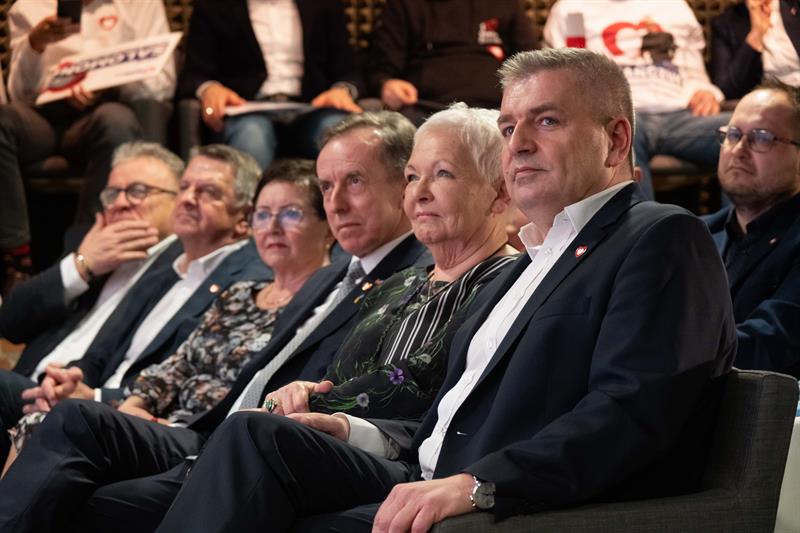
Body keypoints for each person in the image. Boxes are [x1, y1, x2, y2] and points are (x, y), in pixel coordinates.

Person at [148, 48, 736, 533]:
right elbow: (452, 418)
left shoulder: (657, 235)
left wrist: (482, 485)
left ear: (615, 139)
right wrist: (355, 431)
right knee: (258, 434)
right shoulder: (536, 259)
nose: (517, 144)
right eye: (508, 127)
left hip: (505, 504)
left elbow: (632, 413)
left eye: (546, 121)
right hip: (419, 474)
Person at [0, 111, 431, 533]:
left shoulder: (416, 276)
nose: (336, 203)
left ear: (404, 184)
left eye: (354, 181)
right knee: (75, 428)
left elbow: (369, 391)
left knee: (84, 461)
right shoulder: (332, 276)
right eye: (326, 186)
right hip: (212, 430)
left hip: (269, 444)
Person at [3, 158, 333, 472]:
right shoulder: (228, 289)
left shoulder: (308, 302)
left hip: (199, 434)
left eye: (291, 214)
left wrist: (120, 405)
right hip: (133, 410)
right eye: (264, 214)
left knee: (55, 421)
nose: (273, 226)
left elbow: (243, 391)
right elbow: (174, 365)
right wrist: (130, 404)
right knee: (50, 419)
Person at [0, 141, 184, 461]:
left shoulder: (184, 265)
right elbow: (10, 321)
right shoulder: (88, 244)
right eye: (112, 193)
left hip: (80, 405)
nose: (120, 204)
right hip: (27, 387)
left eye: (138, 191)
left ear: (179, 200)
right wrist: (81, 265)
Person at [0, 0, 176, 293]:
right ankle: (16, 260)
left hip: (104, 111)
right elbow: (18, 94)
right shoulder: (28, 6)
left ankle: (84, 253)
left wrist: (109, 82)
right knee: (3, 121)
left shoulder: (139, 4)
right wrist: (35, 45)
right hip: (43, 117)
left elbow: (162, 83)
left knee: (115, 121)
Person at [544, 0, 731, 199]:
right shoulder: (570, 8)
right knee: (622, 132)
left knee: (743, 132)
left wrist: (703, 91)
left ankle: (743, 220)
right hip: (621, 114)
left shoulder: (675, 6)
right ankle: (641, 220)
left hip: (681, 116)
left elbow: (693, 71)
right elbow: (559, 78)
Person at [178, 0, 363, 169]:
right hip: (246, 111)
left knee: (337, 132)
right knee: (252, 135)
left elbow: (349, 71)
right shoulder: (212, 6)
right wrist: (209, 89)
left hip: (311, 109)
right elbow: (194, 74)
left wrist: (342, 90)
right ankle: (250, 197)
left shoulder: (324, 4)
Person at [703, 79, 800, 377]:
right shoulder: (696, 233)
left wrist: (666, 350)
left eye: (761, 137)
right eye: (732, 134)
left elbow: (772, 341)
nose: (739, 150)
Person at [366, 0, 538, 125]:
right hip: (427, 111)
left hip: (497, 110)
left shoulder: (505, 3)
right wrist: (386, 84)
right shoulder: (404, 4)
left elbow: (532, 62)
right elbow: (381, 68)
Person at [711, 0, 800, 100]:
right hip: (768, 102)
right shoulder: (724, 24)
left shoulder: (794, 5)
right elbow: (726, 89)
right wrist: (756, 35)